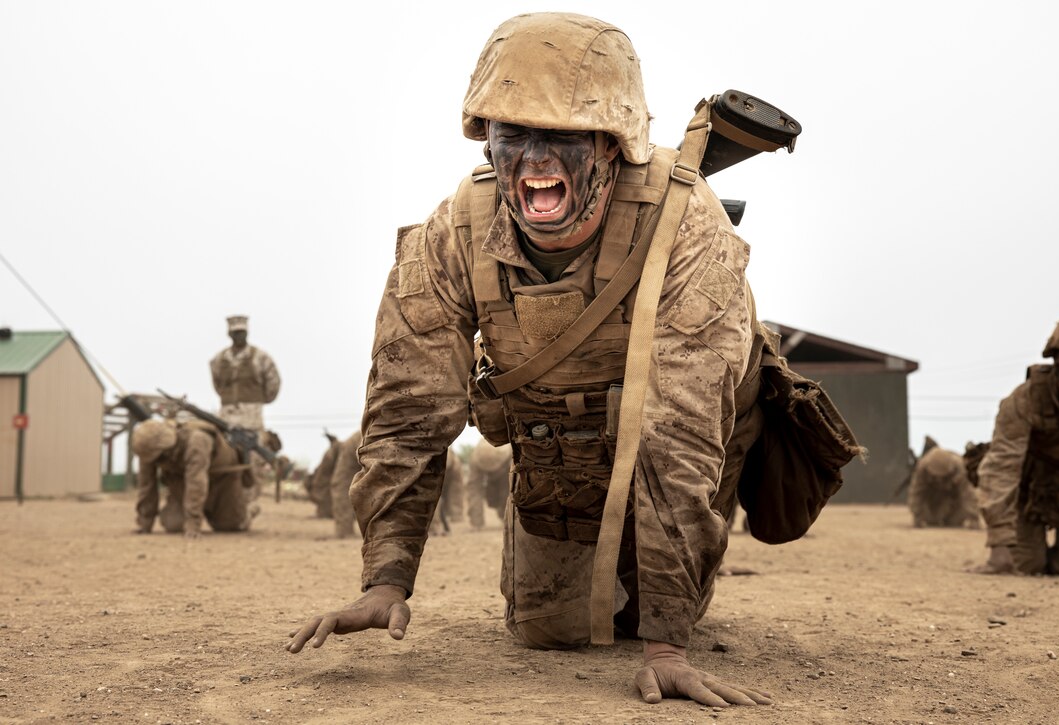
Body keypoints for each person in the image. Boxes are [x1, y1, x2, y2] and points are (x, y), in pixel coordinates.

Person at [287, 12, 773, 708]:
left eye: (564, 136)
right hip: (562, 438)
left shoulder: (691, 225)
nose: (535, 159)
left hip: (684, 427)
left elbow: (682, 435)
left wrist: (668, 640)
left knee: (650, 618)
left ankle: (674, 590)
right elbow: (407, 412)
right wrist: (386, 578)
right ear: (486, 142)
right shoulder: (454, 233)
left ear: (611, 145)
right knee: (552, 630)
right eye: (513, 135)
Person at [974, 311, 1059, 577]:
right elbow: (1001, 468)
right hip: (1031, 490)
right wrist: (1000, 541)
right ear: (1057, 361)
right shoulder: (1025, 399)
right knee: (1023, 565)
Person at [132, 418, 258, 538]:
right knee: (173, 524)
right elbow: (146, 485)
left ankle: (249, 510)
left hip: (222, 481)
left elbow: (196, 482)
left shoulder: (197, 440)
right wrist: (145, 522)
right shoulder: (148, 449)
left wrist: (193, 523)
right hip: (182, 482)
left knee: (230, 525)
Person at [209, 315, 280, 432]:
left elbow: (273, 383)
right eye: (236, 333)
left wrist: (258, 399)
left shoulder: (260, 357)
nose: (239, 336)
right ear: (230, 334)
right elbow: (217, 385)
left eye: (242, 332)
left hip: (252, 418)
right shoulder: (219, 359)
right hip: (226, 417)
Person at [907, 444, 980, 528]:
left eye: (942, 477)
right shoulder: (923, 468)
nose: (939, 479)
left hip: (954, 499)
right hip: (933, 498)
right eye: (936, 477)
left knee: (954, 523)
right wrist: (917, 515)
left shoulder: (959, 467)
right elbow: (916, 492)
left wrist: (974, 517)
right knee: (931, 521)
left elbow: (967, 494)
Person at [465, 440, 512, 530]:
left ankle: (508, 518)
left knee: (506, 491)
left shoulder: (509, 453)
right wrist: (476, 521)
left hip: (505, 472)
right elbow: (474, 491)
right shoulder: (476, 459)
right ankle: (506, 518)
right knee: (495, 496)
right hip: (493, 475)